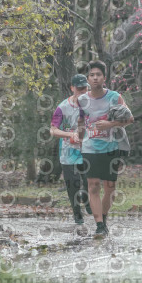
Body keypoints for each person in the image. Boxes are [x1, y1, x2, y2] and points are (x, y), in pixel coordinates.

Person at [77, 60, 134, 236]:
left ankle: (103, 216)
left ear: (104, 78)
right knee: (93, 185)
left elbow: (130, 119)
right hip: (89, 148)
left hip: (111, 147)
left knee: (110, 188)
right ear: (88, 79)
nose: (95, 78)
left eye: (98, 75)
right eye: (92, 75)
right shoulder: (82, 99)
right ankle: (100, 226)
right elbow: (81, 121)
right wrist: (78, 141)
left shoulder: (114, 97)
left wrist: (110, 124)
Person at [50, 74, 93, 225]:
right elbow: (53, 130)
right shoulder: (62, 108)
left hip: (87, 149)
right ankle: (77, 213)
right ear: (72, 88)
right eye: (80, 89)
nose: (83, 92)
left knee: (89, 180)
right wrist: (69, 135)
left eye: (85, 89)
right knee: (73, 184)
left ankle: (87, 200)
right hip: (68, 152)